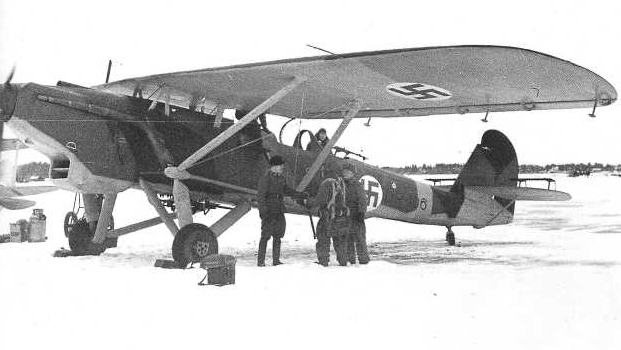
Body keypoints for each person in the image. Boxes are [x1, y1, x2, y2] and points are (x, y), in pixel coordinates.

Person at [257, 155, 305, 266]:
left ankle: (276, 260)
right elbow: (261, 197)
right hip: (269, 211)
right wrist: (263, 212)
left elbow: (287, 190)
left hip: (279, 210)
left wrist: (299, 195)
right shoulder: (265, 179)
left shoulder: (281, 178)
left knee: (278, 235)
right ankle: (260, 262)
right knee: (265, 236)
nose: (282, 167)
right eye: (280, 165)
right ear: (273, 166)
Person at [305, 171, 350, 266]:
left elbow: (320, 201)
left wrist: (308, 202)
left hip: (328, 217)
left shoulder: (326, 183)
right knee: (339, 240)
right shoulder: (341, 184)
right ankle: (343, 261)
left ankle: (323, 262)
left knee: (323, 239)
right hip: (340, 218)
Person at [341, 163, 370, 265]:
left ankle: (364, 260)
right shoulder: (342, 184)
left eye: (348, 172)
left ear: (352, 173)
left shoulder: (357, 185)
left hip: (356, 216)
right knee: (348, 240)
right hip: (346, 217)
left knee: (360, 240)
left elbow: (362, 199)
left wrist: (361, 213)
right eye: (344, 172)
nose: (345, 174)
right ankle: (351, 261)